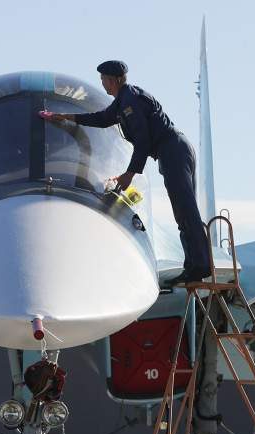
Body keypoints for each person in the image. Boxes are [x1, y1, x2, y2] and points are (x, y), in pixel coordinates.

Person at [42, 60, 211, 284]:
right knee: (183, 208)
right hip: (172, 150)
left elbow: (143, 140)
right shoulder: (123, 101)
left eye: (103, 79)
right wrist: (66, 117)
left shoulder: (130, 100)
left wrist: (129, 174)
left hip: (173, 150)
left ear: (113, 80)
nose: (102, 84)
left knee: (184, 208)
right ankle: (196, 265)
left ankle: (199, 266)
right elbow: (102, 119)